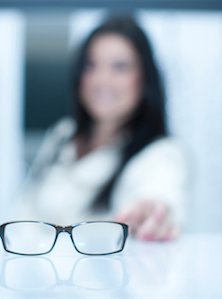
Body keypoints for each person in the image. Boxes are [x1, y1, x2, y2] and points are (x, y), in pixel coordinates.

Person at [15, 15, 188, 241]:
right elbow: (26, 208)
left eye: (120, 67)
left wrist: (154, 212)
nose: (101, 79)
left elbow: (161, 194)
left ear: (145, 79)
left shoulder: (161, 154)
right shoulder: (63, 134)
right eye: (91, 65)